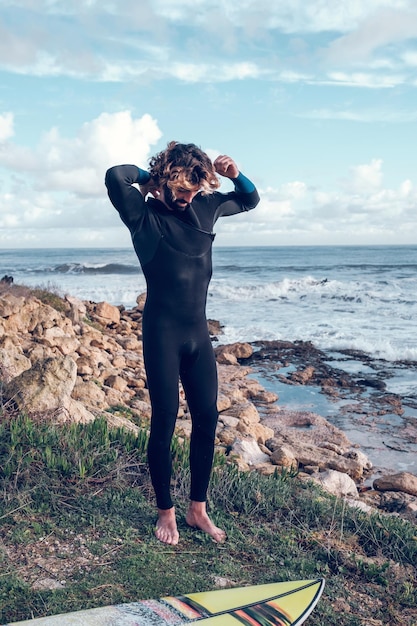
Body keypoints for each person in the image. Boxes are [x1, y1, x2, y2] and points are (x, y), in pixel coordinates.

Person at [105, 142, 260, 545]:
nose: (189, 198)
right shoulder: (143, 215)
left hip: (198, 335)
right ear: (166, 181)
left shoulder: (206, 207)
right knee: (165, 420)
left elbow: (249, 199)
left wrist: (232, 172)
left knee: (207, 418)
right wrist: (149, 178)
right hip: (162, 333)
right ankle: (166, 511)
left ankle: (197, 509)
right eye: (182, 190)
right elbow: (115, 175)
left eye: (195, 190)